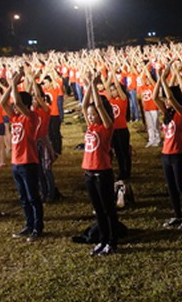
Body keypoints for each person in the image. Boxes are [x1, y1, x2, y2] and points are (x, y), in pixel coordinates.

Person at [1, 71, 44, 241]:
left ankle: (37, 227)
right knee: (23, 197)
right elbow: (3, 102)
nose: (12, 106)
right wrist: (11, 86)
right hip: (16, 163)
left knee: (33, 196)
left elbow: (17, 101)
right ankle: (28, 224)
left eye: (16, 105)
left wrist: (14, 84)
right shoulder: (15, 119)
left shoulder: (31, 117)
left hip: (28, 161)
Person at [79, 72, 118, 256]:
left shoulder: (106, 127)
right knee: (98, 211)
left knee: (108, 209)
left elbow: (98, 105)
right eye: (89, 115)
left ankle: (112, 241)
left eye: (94, 115)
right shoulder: (91, 127)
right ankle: (102, 240)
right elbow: (85, 105)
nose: (91, 117)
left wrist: (94, 87)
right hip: (89, 173)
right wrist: (88, 86)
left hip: (103, 173)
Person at [153, 66, 182, 229]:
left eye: (169, 99)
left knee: (181, 186)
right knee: (171, 188)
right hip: (166, 155)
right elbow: (156, 97)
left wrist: (163, 78)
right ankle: (177, 215)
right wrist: (160, 80)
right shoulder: (167, 114)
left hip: (178, 154)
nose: (167, 101)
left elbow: (169, 95)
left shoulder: (181, 113)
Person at [102, 65, 132, 181]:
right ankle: (121, 171)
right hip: (114, 130)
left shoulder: (123, 99)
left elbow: (118, 86)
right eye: (112, 90)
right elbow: (106, 87)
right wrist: (110, 75)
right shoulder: (111, 100)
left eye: (115, 90)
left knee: (125, 152)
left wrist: (114, 73)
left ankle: (127, 171)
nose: (114, 91)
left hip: (122, 129)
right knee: (118, 153)